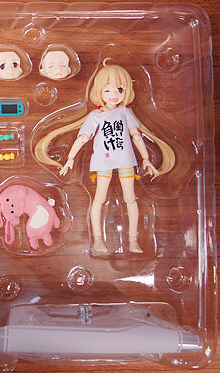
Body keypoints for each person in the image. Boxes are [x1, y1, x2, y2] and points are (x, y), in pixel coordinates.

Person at [35, 59, 175, 254]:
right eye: (107, 90)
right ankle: (98, 240)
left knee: (130, 199)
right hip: (103, 161)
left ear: (126, 91)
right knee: (99, 199)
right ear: (99, 91)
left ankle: (133, 241)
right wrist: (70, 159)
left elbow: (136, 135)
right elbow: (83, 138)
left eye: (120, 89)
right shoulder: (96, 115)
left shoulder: (125, 112)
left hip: (125, 160)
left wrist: (146, 159)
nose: (114, 94)